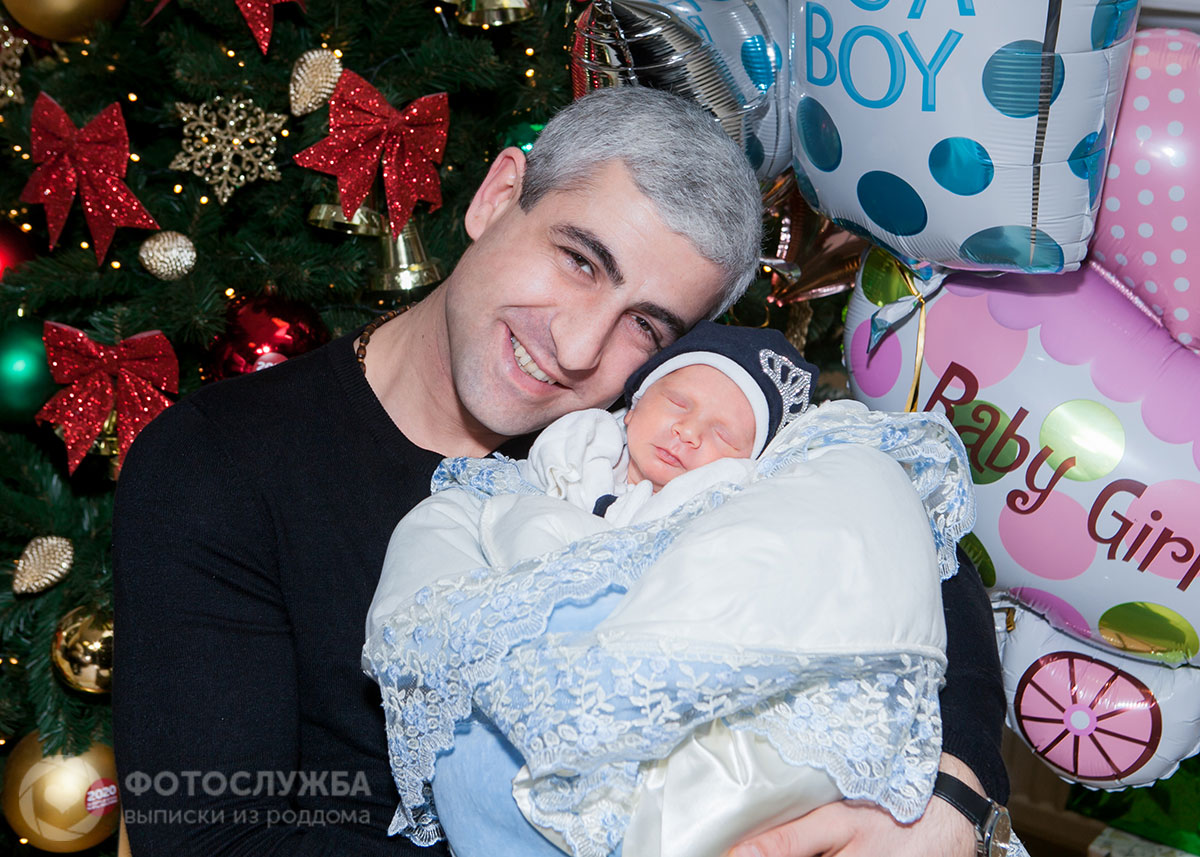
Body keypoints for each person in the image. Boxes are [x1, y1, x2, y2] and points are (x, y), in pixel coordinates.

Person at [112, 85, 1007, 857]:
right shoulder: (218, 463)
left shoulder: (656, 441)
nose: (577, 347)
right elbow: (210, 836)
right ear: (498, 196)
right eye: (580, 260)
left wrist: (955, 794)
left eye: (645, 325)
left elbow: (918, 541)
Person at [362, 320, 971, 857]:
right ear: (632, 407)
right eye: (678, 402)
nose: (688, 433)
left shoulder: (714, 505)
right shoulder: (560, 461)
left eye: (723, 435)